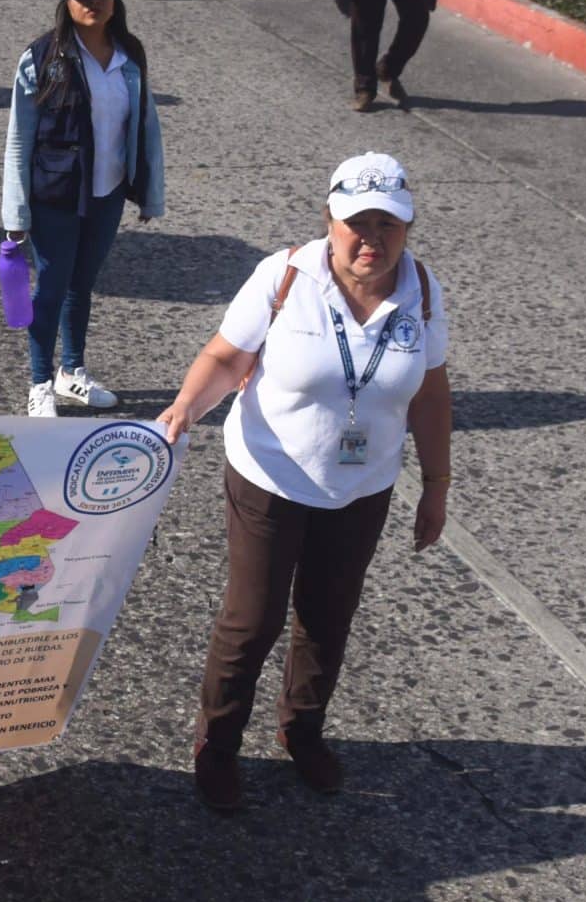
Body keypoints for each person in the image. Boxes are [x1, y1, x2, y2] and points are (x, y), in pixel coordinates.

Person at [157, 152, 452, 811]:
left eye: (388, 224)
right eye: (357, 223)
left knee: (328, 612)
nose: (372, 239)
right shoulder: (286, 275)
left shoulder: (423, 292)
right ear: (329, 218)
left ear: (407, 227)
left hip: (364, 485)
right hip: (269, 471)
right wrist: (184, 408)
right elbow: (226, 355)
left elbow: (431, 394)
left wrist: (436, 481)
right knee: (253, 615)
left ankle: (302, 729)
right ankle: (218, 742)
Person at [0, 0, 164, 415]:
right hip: (54, 195)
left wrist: (149, 193)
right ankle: (39, 383)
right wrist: (15, 214)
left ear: (115, 0)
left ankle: (71, 373)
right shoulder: (40, 59)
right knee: (50, 288)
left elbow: (146, 126)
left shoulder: (130, 56)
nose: (93, 2)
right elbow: (19, 137)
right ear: (65, 3)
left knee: (82, 285)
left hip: (107, 192)